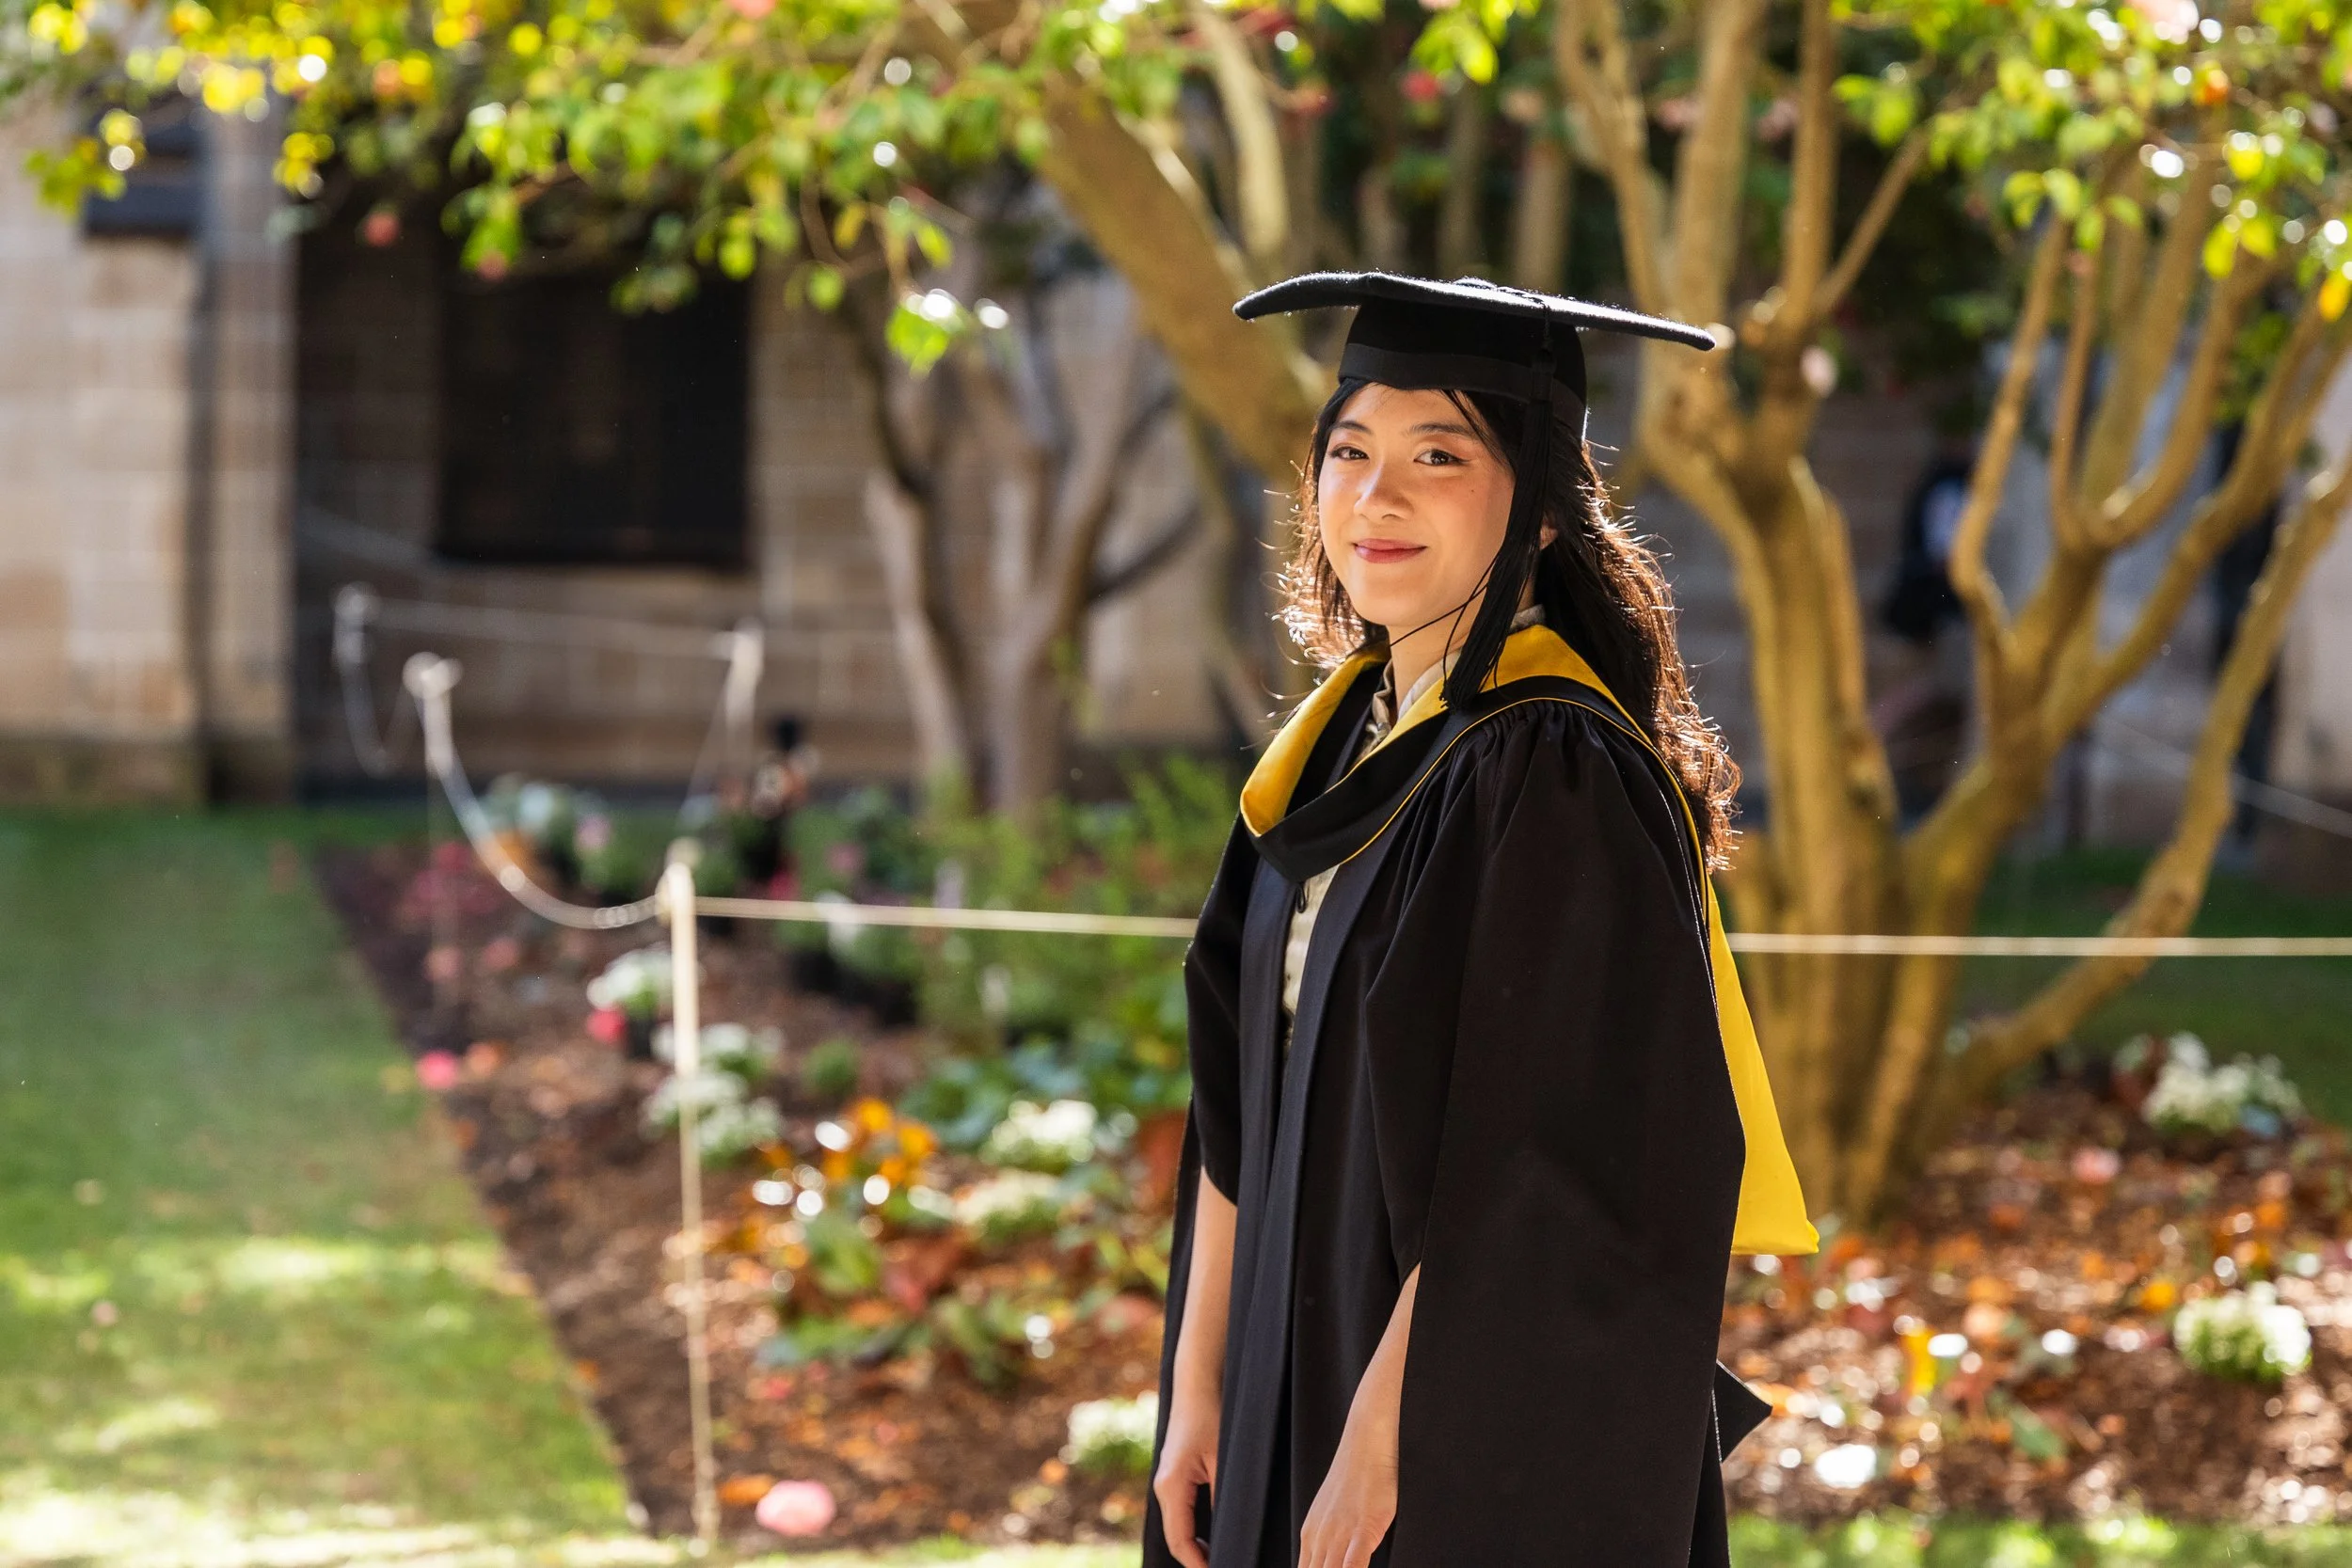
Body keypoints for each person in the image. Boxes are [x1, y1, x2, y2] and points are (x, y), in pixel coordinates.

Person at [1144, 272, 1820, 1568]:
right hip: (1294, 1363)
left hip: (1457, 1429)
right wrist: (1201, 1390)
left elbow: (1539, 1165)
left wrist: (1389, 1441)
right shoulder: (1336, 743)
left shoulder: (1550, 765)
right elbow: (1237, 1099)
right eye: (1350, 452)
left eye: (1437, 454)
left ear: (1544, 511)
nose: (1374, 497)